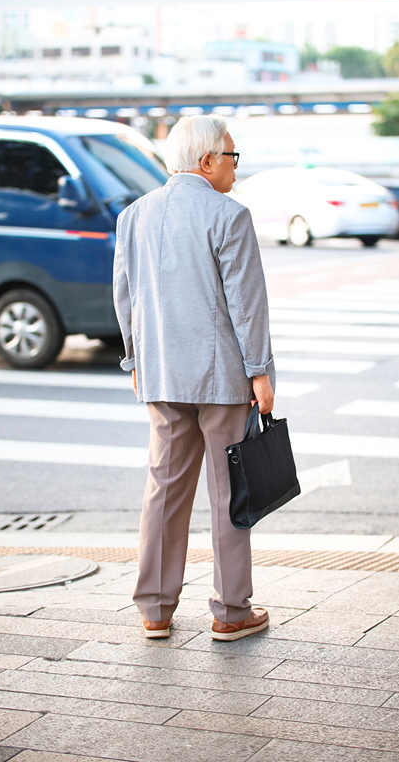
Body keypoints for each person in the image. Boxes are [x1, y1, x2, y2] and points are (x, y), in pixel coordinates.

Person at [113, 114, 275, 641]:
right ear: (206, 161)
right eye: (232, 157)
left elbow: (126, 298)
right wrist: (261, 373)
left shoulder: (134, 215)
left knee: (164, 486)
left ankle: (155, 609)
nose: (235, 167)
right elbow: (246, 306)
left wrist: (135, 361)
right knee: (231, 491)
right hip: (222, 378)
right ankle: (231, 612)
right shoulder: (229, 215)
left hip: (161, 374)